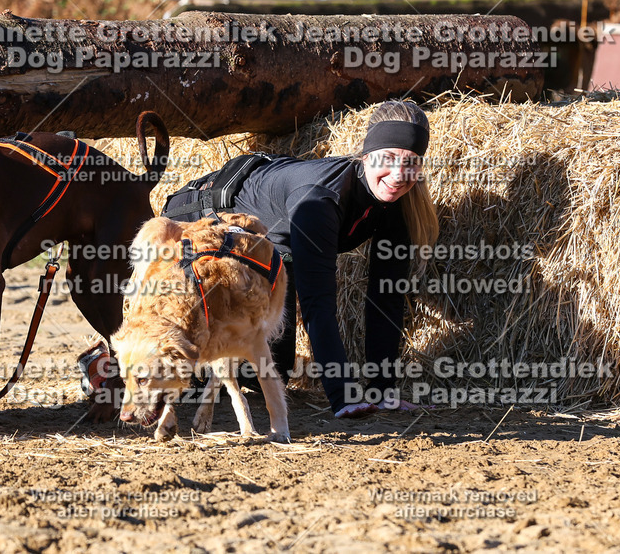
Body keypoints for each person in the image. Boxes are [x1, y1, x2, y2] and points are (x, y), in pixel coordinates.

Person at [162, 100, 438, 418]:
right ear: (366, 156)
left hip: (269, 247)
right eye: (389, 159)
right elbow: (317, 302)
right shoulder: (320, 199)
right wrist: (344, 397)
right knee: (187, 372)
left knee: (274, 368)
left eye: (412, 163)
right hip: (198, 222)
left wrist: (384, 393)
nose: (400, 174)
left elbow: (385, 299)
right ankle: (111, 370)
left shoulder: (399, 200)